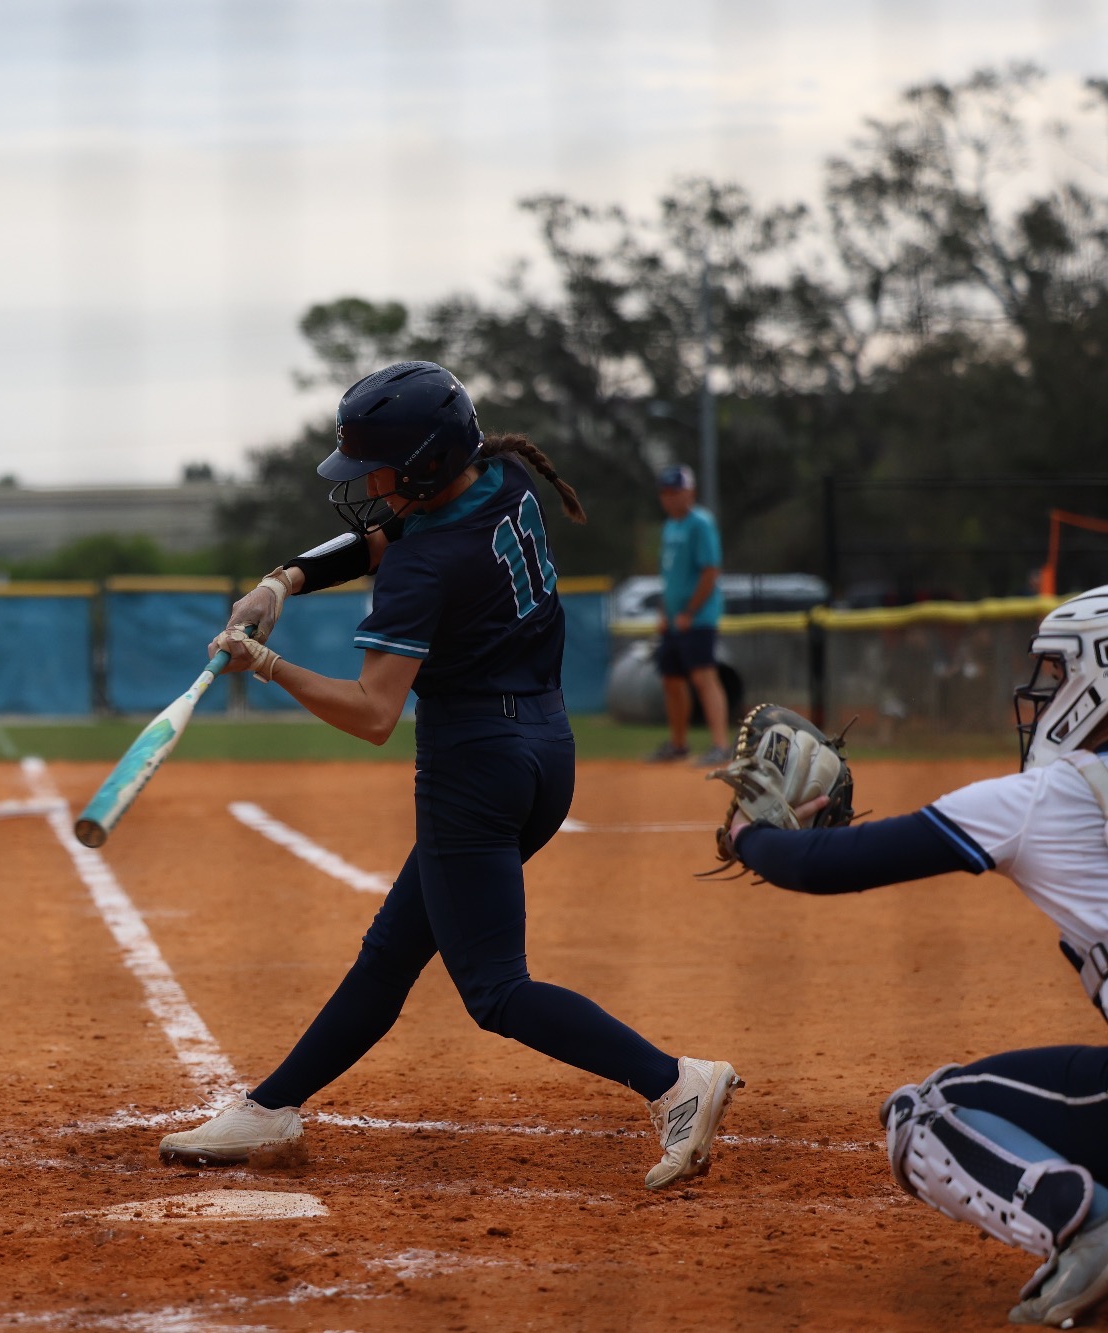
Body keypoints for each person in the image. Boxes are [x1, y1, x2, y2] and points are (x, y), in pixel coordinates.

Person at [157, 361, 741, 1190]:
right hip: (544, 751)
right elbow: (381, 538)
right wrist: (280, 581)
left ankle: (676, 1081)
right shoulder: (502, 480)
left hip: (472, 768)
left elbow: (373, 712)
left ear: (426, 465)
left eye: (378, 469)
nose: (366, 485)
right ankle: (270, 1106)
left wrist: (269, 665)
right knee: (391, 953)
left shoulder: (424, 564)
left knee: (496, 989)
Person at [728, 585, 1108, 1326]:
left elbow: (829, 865)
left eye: (1062, 674)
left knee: (926, 1112)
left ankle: (1090, 1225)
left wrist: (750, 833)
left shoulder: (1050, 798)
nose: (1045, 694)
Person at [650, 464, 732, 766]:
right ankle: (678, 744)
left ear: (690, 492)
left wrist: (689, 611)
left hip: (698, 618)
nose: (670, 498)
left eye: (676, 491)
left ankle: (721, 745)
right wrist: (664, 612)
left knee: (703, 677)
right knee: (671, 679)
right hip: (674, 620)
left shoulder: (700, 523)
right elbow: (669, 577)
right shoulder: (669, 527)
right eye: (666, 492)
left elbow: (710, 571)